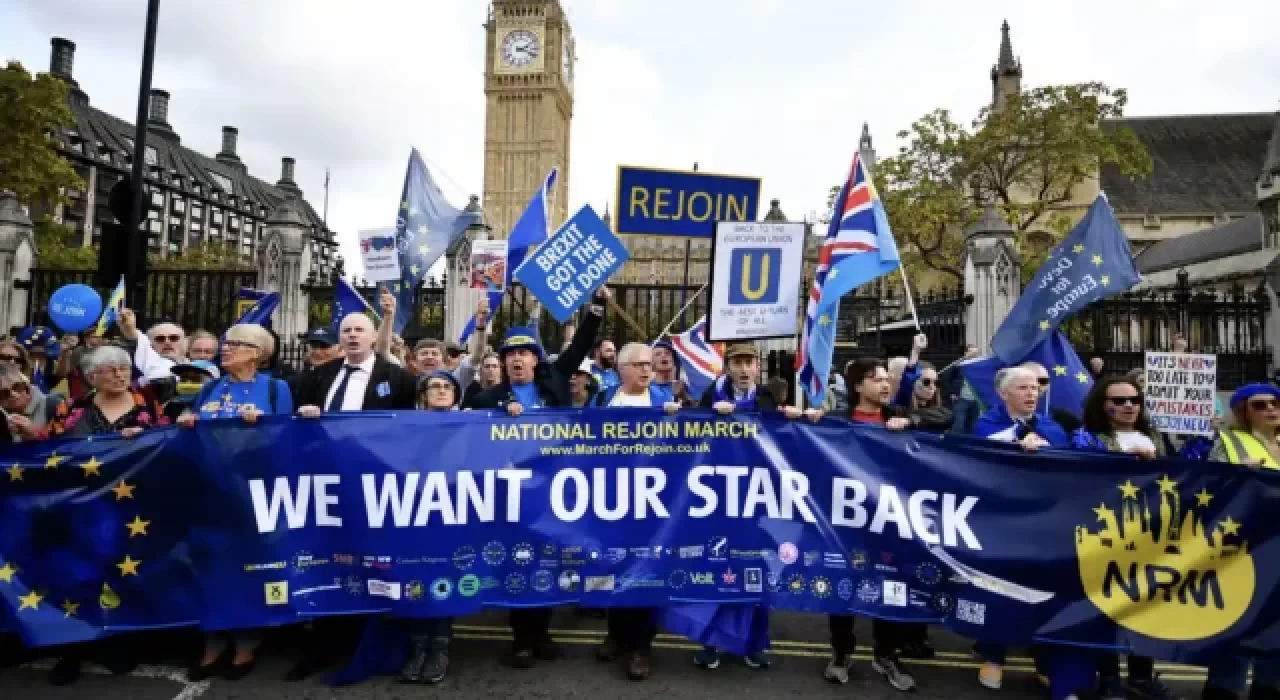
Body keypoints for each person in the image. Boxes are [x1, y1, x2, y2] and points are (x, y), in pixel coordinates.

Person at [466, 286, 607, 669]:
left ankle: (542, 633)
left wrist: (596, 307)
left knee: (549, 562)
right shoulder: (487, 398)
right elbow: (465, 432)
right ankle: (521, 639)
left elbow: (580, 345)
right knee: (518, 564)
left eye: (523, 353)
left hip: (552, 491)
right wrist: (499, 412)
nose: (516, 360)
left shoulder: (555, 381)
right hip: (511, 497)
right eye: (510, 354)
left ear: (535, 359)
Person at [288, 311, 417, 681]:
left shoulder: (400, 380)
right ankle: (325, 644)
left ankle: (369, 645)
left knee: (371, 563)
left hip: (375, 488)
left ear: (374, 335)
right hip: (327, 487)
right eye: (346, 331)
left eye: (360, 329)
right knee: (329, 561)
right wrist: (306, 414)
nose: (353, 335)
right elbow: (296, 427)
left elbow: (414, 434)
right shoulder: (318, 377)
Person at [685, 343, 818, 674]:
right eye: (738, 363)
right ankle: (711, 642)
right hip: (719, 499)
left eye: (749, 363)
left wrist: (805, 418)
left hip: (758, 500)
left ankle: (755, 644)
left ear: (758, 368)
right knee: (718, 568)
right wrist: (706, 415)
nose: (744, 369)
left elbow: (788, 439)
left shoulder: (768, 399)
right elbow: (689, 435)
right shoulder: (711, 395)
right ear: (728, 367)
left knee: (757, 571)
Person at [37, 344, 166, 686]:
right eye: (110, 369)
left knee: (123, 572)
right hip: (80, 506)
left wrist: (144, 438)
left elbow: (166, 446)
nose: (120, 374)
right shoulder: (72, 409)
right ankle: (73, 647)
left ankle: (116, 640)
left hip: (131, 507)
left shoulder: (147, 407)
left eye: (124, 368)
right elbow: (51, 450)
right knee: (76, 575)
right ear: (91, 376)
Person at [176, 323, 293, 681]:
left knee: (248, 566)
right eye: (225, 344)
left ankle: (245, 645)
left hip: (251, 493)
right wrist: (187, 420)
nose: (224, 349)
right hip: (209, 491)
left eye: (234, 345)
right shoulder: (211, 386)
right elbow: (194, 427)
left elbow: (287, 436)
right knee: (210, 565)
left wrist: (265, 425)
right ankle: (212, 644)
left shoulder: (274, 388)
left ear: (256, 352)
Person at [1069, 377, 1175, 700]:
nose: (1129, 406)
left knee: (1145, 607)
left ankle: (1141, 678)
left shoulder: (1156, 436)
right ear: (1103, 404)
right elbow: (1082, 471)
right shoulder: (1087, 437)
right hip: (1106, 534)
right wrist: (1129, 462)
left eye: (1134, 400)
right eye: (1119, 400)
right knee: (1107, 608)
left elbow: (1184, 471)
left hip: (1150, 534)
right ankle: (1110, 678)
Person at [590, 343, 680, 681]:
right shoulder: (604, 398)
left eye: (650, 365)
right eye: (639, 364)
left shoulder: (664, 401)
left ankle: (641, 646)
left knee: (647, 569)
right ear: (621, 369)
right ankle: (616, 634)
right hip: (611, 498)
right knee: (615, 565)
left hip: (652, 503)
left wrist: (681, 419)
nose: (647, 370)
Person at [826, 357, 916, 692]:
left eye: (886, 379)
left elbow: (945, 418)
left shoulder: (898, 417)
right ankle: (841, 652)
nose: (885, 384)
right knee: (842, 584)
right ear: (858, 386)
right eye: (876, 379)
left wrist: (911, 421)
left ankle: (886, 654)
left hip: (889, 519)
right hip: (847, 519)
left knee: (891, 586)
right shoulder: (837, 421)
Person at [1200, 383, 1280, 700]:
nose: (1271, 409)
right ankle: (1225, 688)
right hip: (1244, 549)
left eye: (1275, 403)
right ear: (1242, 412)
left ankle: (1270, 685)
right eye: (1260, 405)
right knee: (1239, 623)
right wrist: (1233, 473)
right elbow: (1205, 487)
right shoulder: (1229, 443)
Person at [398, 369, 463, 684]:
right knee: (416, 579)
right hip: (415, 514)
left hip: (454, 516)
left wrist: (511, 412)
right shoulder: (404, 425)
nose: (439, 390)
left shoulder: (473, 422)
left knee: (444, 580)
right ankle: (417, 647)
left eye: (446, 386)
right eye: (432, 386)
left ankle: (439, 647)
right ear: (422, 395)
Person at [0, 364, 64, 442]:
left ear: (26, 385)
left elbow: (66, 444)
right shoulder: (2, 418)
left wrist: (34, 434)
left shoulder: (55, 405)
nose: (13, 394)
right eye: (3, 393)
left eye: (17, 387)